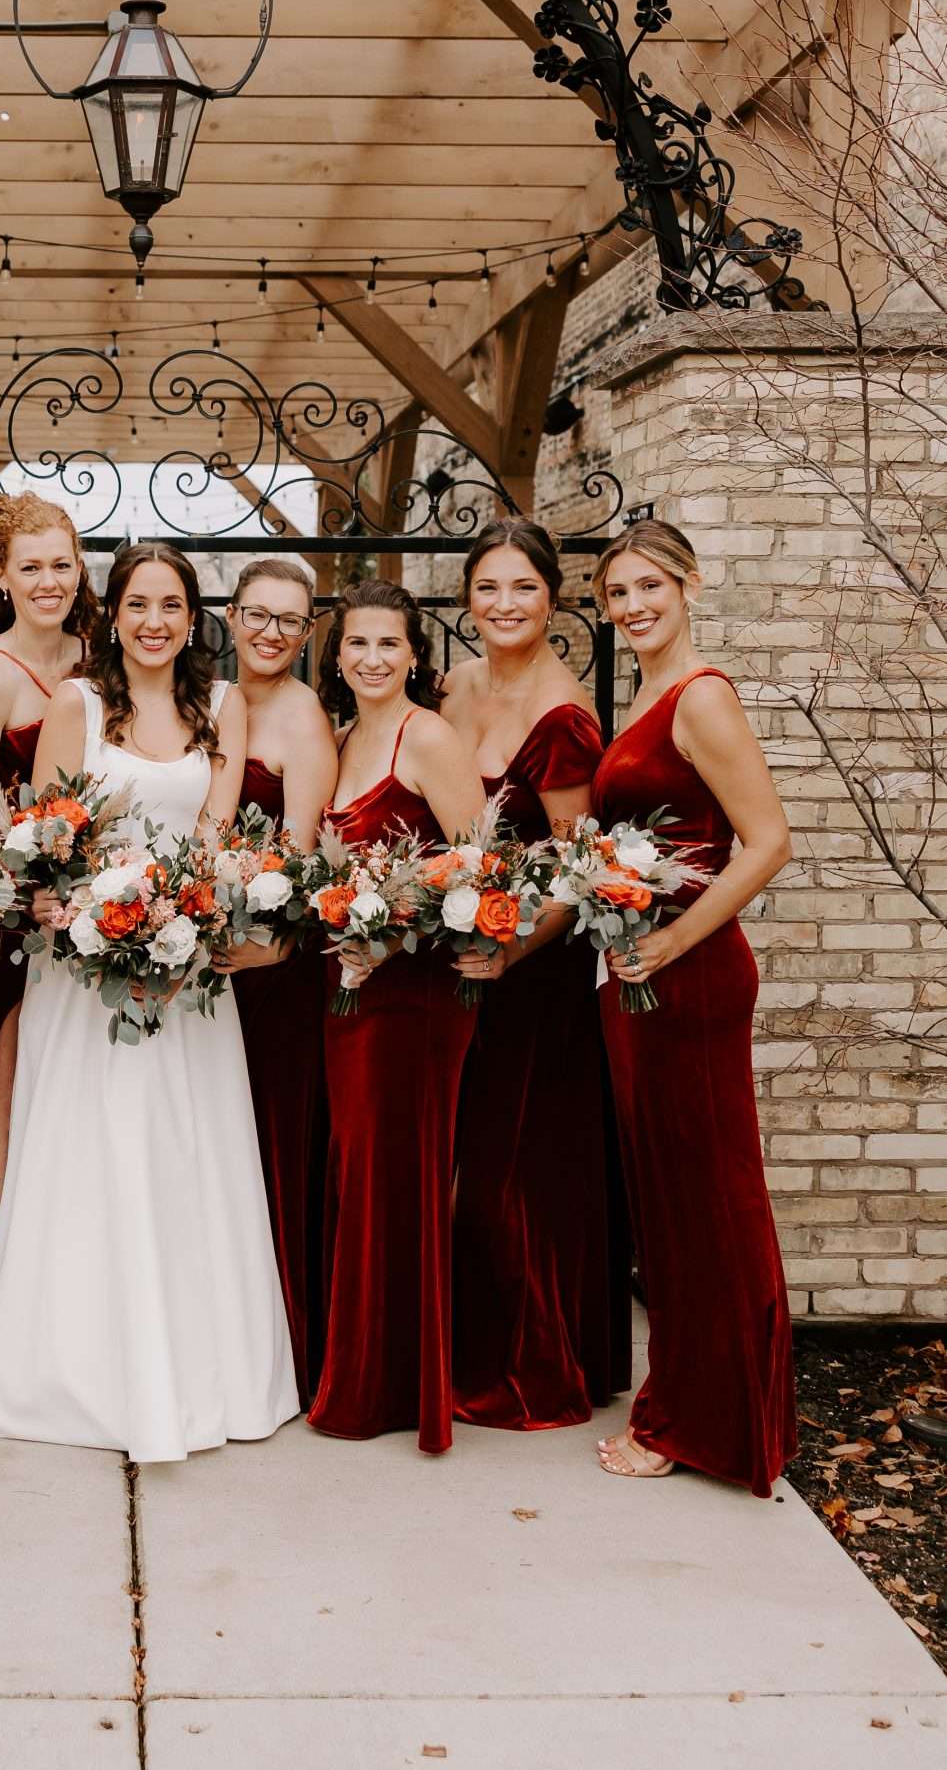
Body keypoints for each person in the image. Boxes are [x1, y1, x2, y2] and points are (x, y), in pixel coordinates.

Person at [0, 541, 297, 1462]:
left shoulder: (222, 705)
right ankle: (75, 1374)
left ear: (193, 618)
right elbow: (46, 834)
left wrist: (190, 923)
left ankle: (200, 1370)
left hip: (187, 970)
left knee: (182, 1148)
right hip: (79, 971)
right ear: (115, 612)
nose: (153, 622)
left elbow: (220, 836)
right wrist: (82, 917)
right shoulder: (79, 704)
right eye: (137, 603)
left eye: (170, 606)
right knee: (87, 1147)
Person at [590, 520, 796, 1493]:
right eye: (616, 593)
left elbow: (766, 841)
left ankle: (709, 1424)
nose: (633, 606)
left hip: (693, 975)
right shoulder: (647, 693)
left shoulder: (701, 696)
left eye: (648, 586)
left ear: (691, 582)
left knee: (715, 1203)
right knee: (673, 1208)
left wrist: (674, 938)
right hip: (643, 975)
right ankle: (693, 1406)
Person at [440, 518, 619, 1431]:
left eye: (522, 588)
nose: (503, 605)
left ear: (553, 598)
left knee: (511, 1171)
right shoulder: (454, 684)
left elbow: (578, 867)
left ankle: (523, 1365)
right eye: (488, 588)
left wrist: (511, 950)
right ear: (466, 597)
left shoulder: (562, 713)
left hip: (534, 969)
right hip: (458, 953)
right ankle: (456, 1342)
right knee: (457, 1159)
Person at [308, 578, 487, 1453]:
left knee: (395, 1177)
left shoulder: (429, 736)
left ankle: (389, 1389)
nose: (372, 659)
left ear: (415, 654)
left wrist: (395, 928)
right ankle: (362, 1369)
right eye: (356, 645)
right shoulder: (342, 737)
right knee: (357, 1173)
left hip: (413, 996)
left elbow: (478, 868)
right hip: (350, 989)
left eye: (388, 644)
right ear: (336, 656)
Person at [0, 492, 96, 1330]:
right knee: (9, 1091)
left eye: (61, 564)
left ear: (81, 569)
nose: (47, 581)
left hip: (98, 911)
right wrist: (16, 894)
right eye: (29, 567)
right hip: (14, 919)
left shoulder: (96, 653)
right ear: (0, 575)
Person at [211, 556, 337, 1396]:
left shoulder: (301, 718)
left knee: (267, 1145)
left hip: (270, 969)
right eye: (257, 615)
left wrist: (276, 948)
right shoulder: (209, 701)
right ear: (229, 616)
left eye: (289, 621)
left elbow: (304, 857)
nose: (270, 633)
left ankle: (280, 1340)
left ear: (306, 632)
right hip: (204, 963)